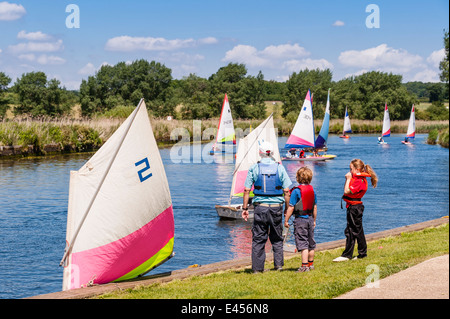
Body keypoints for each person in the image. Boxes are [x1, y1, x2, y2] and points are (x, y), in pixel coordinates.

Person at [242, 141, 292, 273]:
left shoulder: (254, 168)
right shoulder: (279, 168)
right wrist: (287, 208)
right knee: (277, 237)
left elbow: (247, 190)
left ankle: (257, 269)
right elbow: (287, 191)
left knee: (258, 238)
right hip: (276, 207)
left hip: (260, 207)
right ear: (273, 153)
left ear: (260, 153)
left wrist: (245, 208)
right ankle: (279, 266)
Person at [333, 159, 378, 262]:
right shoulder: (358, 179)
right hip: (352, 206)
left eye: (351, 169)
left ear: (357, 169)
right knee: (350, 231)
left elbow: (346, 191)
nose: (349, 171)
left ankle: (359, 253)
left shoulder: (359, 181)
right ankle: (350, 254)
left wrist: (348, 179)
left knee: (356, 231)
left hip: (355, 208)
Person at [284, 167, 317, 272]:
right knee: (311, 243)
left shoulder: (296, 191)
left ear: (298, 178)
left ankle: (304, 266)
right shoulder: (312, 190)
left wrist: (286, 220)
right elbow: (315, 207)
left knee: (303, 243)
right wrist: (314, 220)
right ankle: (311, 264)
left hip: (300, 219)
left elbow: (291, 207)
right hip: (310, 218)